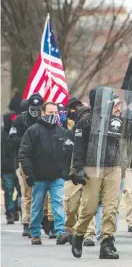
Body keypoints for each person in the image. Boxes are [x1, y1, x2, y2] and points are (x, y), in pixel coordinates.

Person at [70, 87, 132, 259]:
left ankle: (107, 243)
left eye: (113, 100)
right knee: (89, 208)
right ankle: (79, 233)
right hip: (92, 167)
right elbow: (78, 149)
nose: (113, 104)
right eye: (108, 100)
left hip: (114, 167)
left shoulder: (121, 122)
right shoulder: (86, 121)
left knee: (111, 208)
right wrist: (76, 170)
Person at [18, 102, 72, 245]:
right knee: (37, 206)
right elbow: (24, 154)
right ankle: (35, 232)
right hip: (39, 177)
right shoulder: (32, 131)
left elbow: (69, 153)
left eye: (55, 113)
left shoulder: (62, 132)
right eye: (50, 113)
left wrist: (66, 171)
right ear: (42, 113)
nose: (53, 115)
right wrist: (29, 174)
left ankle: (60, 232)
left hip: (57, 177)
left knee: (58, 204)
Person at [8, 93, 46, 237]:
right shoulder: (19, 120)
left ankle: (45, 220)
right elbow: (11, 140)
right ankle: (27, 222)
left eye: (38, 109)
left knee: (44, 192)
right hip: (23, 160)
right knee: (27, 192)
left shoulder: (45, 120)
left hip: (42, 161)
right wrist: (27, 141)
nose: (35, 112)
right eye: (33, 108)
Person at [63, 104, 97, 246]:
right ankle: (70, 230)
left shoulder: (95, 134)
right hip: (71, 175)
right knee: (71, 206)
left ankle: (89, 234)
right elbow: (64, 155)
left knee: (87, 205)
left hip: (89, 174)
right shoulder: (70, 134)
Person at [2, 112, 20, 224]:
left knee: (21, 191)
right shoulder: (2, 134)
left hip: (18, 166)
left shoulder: (17, 133)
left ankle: (15, 207)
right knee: (8, 191)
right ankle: (10, 212)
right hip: (6, 168)